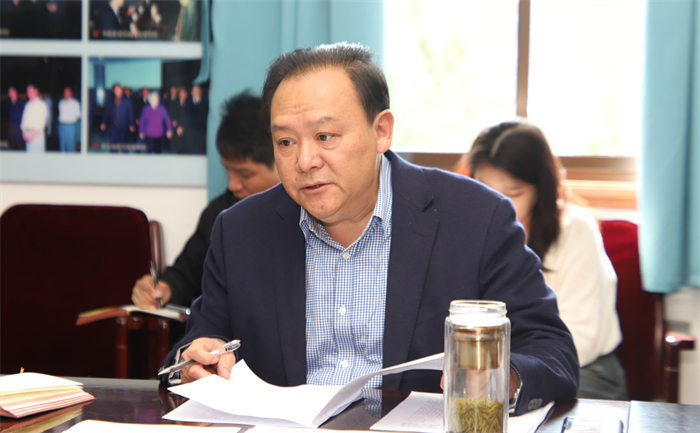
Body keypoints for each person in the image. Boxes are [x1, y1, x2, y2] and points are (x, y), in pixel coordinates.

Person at [161, 43, 578, 415]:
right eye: (286, 142)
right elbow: (196, 344)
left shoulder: (476, 219)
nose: (304, 161)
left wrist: (500, 378)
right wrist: (195, 362)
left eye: (325, 136)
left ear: (381, 131)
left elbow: (551, 350)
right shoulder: (240, 231)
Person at [467, 120, 627, 400]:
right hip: (492, 375)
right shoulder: (469, 229)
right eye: (485, 191)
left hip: (581, 370)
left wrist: (510, 375)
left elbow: (582, 341)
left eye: (512, 193)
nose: (497, 204)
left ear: (540, 189)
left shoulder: (575, 228)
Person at [132, 91, 280, 311]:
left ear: (281, 161)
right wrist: (163, 288)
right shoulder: (221, 213)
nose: (233, 184)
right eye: (227, 170)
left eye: (245, 174)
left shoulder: (310, 216)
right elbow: (186, 275)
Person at [101, 83, 135, 150]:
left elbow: (131, 113)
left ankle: (125, 155)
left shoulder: (127, 100)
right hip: (113, 125)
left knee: (124, 144)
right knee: (113, 143)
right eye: (116, 90)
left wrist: (131, 124)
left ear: (122, 90)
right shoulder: (109, 100)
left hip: (124, 126)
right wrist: (103, 122)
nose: (118, 91)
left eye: (120, 89)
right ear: (113, 91)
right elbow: (106, 113)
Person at [20, 84, 48, 153]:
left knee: (38, 156)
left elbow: (41, 124)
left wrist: (31, 136)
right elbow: (23, 120)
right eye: (27, 91)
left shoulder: (42, 105)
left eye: (30, 91)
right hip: (27, 134)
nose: (28, 93)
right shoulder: (27, 105)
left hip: (37, 136)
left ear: (36, 91)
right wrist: (24, 133)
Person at [58, 86, 81, 152]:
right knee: (62, 146)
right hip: (61, 126)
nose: (66, 93)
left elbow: (78, 116)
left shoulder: (75, 103)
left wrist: (70, 121)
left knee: (71, 146)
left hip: (70, 126)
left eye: (68, 92)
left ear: (71, 93)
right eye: (65, 92)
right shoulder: (61, 103)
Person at [6, 86, 26, 150]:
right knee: (12, 143)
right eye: (9, 92)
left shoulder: (21, 103)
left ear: (16, 93)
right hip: (11, 125)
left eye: (12, 92)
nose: (10, 93)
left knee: (20, 144)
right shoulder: (9, 103)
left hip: (19, 126)